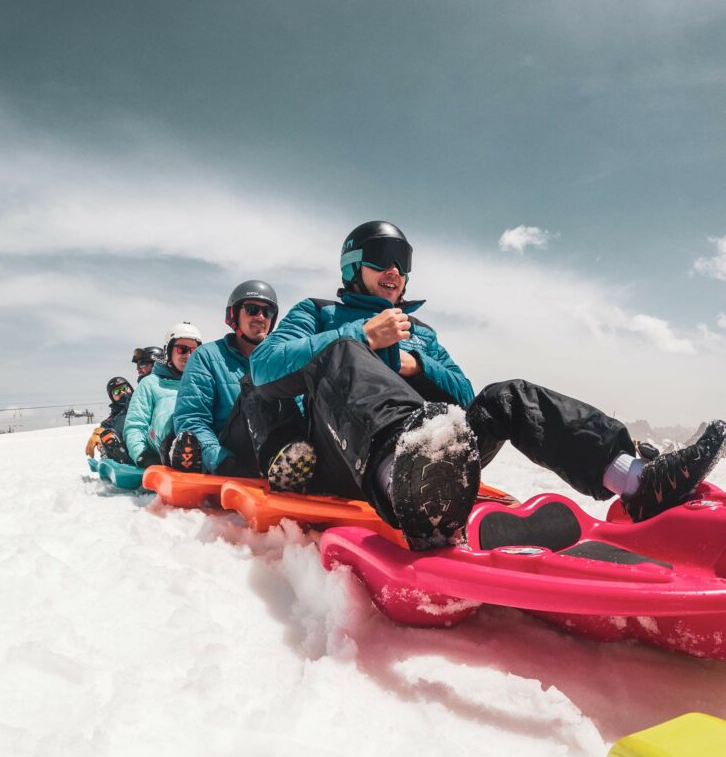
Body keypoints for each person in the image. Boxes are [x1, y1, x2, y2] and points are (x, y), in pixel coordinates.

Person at [242, 220, 726, 550]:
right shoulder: (319, 314)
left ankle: (637, 480)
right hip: (349, 457)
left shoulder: (422, 333)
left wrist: (417, 366)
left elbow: (464, 397)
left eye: (403, 261)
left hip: (432, 458)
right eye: (383, 257)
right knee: (343, 353)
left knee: (507, 397)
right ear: (353, 265)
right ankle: (405, 487)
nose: (396, 271)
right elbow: (263, 368)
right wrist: (359, 335)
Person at [170, 280, 310, 481]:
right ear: (234, 315)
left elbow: (299, 412)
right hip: (234, 453)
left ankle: (294, 464)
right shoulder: (207, 356)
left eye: (267, 312)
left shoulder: (281, 361)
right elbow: (192, 419)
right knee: (256, 380)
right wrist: (221, 461)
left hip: (284, 453)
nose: (260, 317)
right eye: (252, 309)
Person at [123, 323, 202, 467]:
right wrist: (141, 454)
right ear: (168, 351)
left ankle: (199, 451)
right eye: (182, 349)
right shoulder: (151, 383)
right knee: (169, 406)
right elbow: (135, 424)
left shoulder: (204, 383)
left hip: (203, 439)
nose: (188, 355)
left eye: (194, 350)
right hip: (161, 444)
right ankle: (177, 448)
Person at [85, 376, 134, 461]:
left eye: (124, 388)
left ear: (130, 388)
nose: (122, 392)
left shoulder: (141, 401)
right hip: (129, 451)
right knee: (107, 433)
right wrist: (98, 434)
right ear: (112, 398)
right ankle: (115, 454)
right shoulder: (115, 416)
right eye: (117, 391)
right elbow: (107, 424)